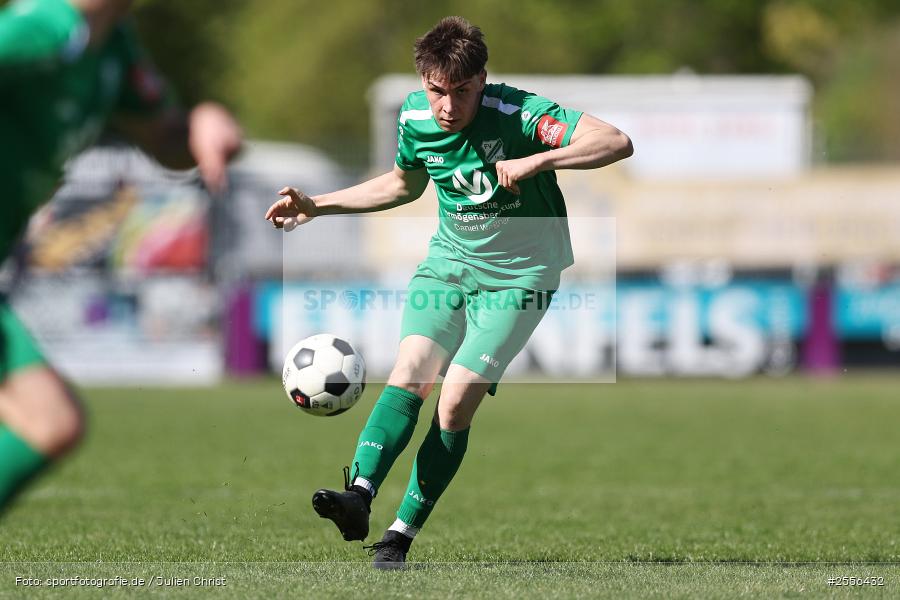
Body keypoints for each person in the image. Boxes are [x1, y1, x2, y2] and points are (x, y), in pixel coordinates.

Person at [266, 16, 632, 569]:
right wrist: (317, 205)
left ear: (482, 79)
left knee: (455, 400)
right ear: (424, 82)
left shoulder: (518, 112)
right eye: (437, 91)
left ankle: (399, 535)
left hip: (522, 275)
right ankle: (359, 496)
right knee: (410, 369)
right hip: (450, 264)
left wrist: (540, 159)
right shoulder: (415, 117)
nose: (446, 106)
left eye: (461, 92)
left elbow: (616, 140)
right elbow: (401, 184)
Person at [0, 0, 242, 513]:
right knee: (47, 420)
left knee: (50, 422)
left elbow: (165, 138)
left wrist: (202, 123)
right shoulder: (43, 28)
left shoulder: (113, 47)